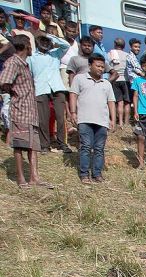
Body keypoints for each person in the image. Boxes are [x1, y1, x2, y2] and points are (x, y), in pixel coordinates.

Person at [1, 34, 48, 188]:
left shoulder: (25, 64)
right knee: (20, 146)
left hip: (30, 112)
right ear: (27, 45)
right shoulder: (13, 62)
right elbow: (4, 82)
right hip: (20, 110)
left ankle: (34, 177)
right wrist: (15, 94)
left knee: (32, 146)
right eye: (30, 45)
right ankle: (21, 178)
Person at [68, 52, 114, 183]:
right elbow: (73, 95)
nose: (100, 69)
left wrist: (112, 119)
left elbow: (111, 102)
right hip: (85, 119)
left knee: (99, 148)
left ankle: (97, 174)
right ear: (90, 65)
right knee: (86, 146)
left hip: (102, 121)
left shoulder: (106, 83)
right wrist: (73, 112)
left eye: (102, 67)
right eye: (98, 66)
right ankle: (84, 174)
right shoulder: (79, 79)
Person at [28, 34, 71, 153]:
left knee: (60, 118)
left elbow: (66, 45)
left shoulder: (55, 53)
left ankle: (62, 143)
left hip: (57, 88)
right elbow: (30, 76)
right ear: (37, 41)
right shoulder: (31, 57)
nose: (45, 43)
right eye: (43, 40)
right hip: (41, 89)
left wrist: (50, 36)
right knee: (43, 119)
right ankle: (44, 145)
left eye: (47, 41)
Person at [107, 37, 129, 133]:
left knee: (118, 102)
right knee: (126, 102)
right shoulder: (127, 55)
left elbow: (108, 66)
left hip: (115, 80)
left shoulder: (110, 53)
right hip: (125, 79)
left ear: (115, 44)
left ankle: (118, 122)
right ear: (124, 46)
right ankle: (125, 123)